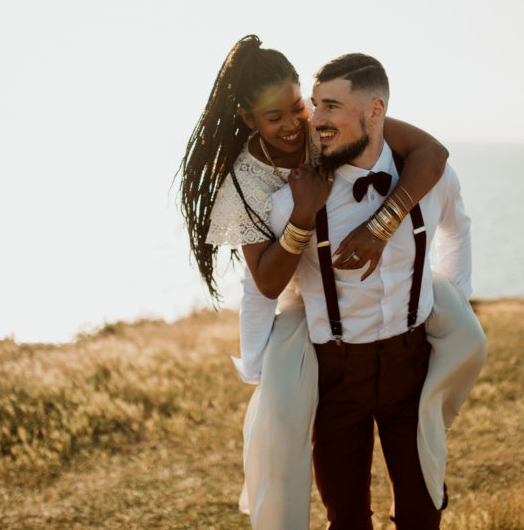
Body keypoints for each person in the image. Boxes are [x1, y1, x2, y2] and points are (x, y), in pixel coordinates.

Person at [179, 36, 484, 528]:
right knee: (341, 509)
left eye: (299, 105)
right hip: (328, 345)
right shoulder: (252, 187)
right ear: (248, 119)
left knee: (424, 497)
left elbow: (433, 155)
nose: (299, 122)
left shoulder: (348, 135)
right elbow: (262, 287)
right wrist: (263, 374)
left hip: (406, 348)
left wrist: (391, 234)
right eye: (274, 116)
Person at [267, 52, 476, 528]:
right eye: (315, 104)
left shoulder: (430, 181)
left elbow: (457, 229)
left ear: (375, 111)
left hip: (412, 365)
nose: (315, 120)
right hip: (337, 375)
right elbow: (265, 287)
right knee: (346, 517)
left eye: (332, 107)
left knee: (425, 508)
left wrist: (456, 299)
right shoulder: (293, 202)